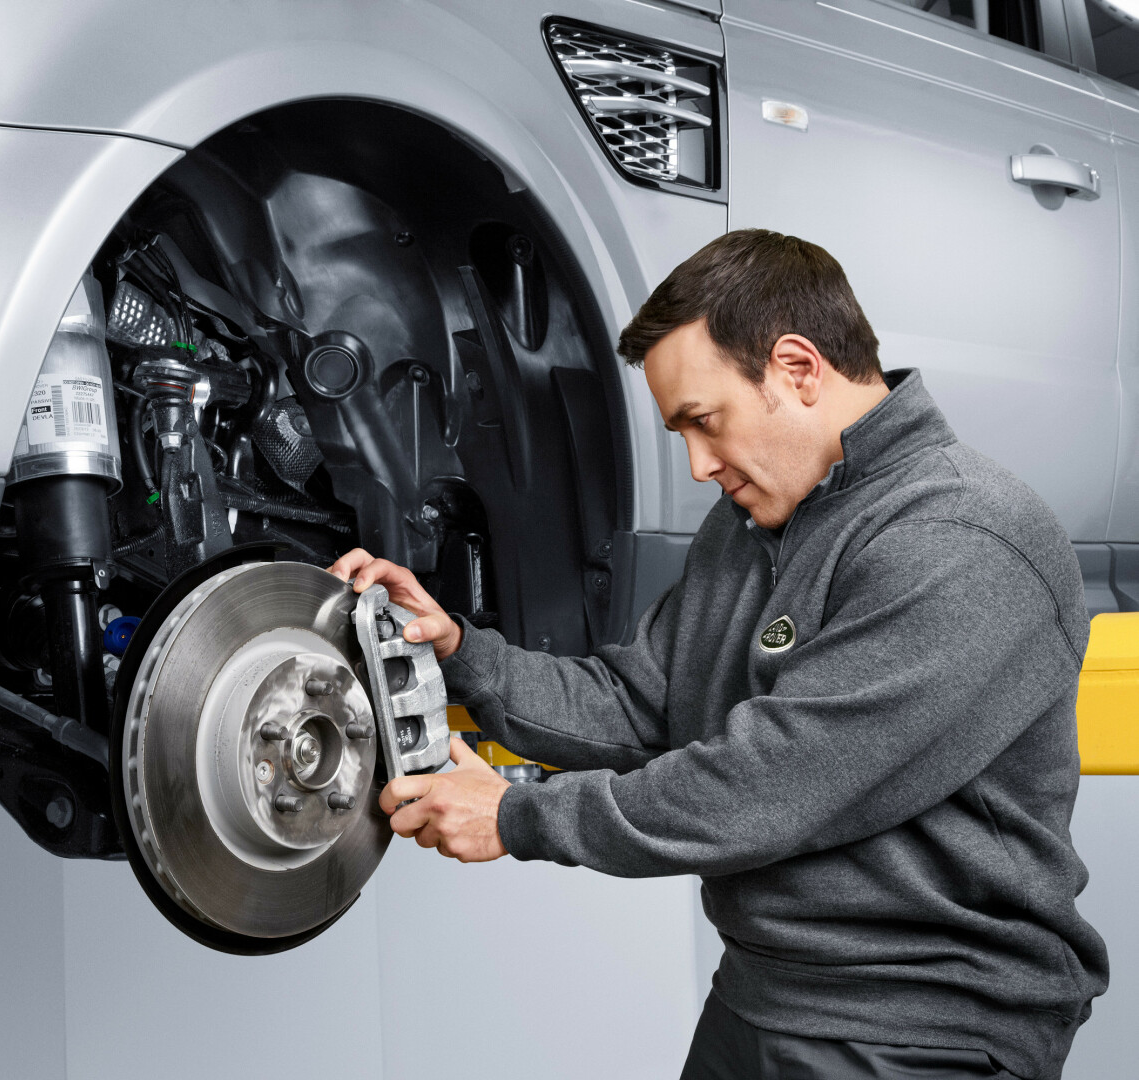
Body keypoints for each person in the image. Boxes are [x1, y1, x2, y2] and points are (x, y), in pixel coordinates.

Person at [328, 230, 1108, 1080]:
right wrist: (458, 654)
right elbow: (641, 705)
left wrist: (518, 815)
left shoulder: (964, 536)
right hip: (763, 996)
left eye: (705, 422)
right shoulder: (749, 529)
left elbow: (776, 780)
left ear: (799, 368)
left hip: (923, 1033)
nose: (699, 465)